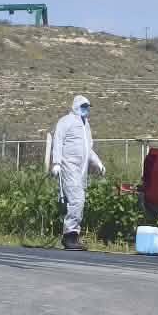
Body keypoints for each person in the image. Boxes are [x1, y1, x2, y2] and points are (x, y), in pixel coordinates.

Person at [51, 94, 104, 251]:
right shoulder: (65, 121)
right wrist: (56, 162)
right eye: (83, 107)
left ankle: (72, 236)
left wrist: (98, 163)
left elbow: (88, 149)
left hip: (82, 170)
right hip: (69, 166)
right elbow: (58, 141)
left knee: (77, 200)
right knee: (77, 200)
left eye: (87, 107)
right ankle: (70, 236)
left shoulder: (85, 124)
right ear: (75, 106)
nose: (86, 110)